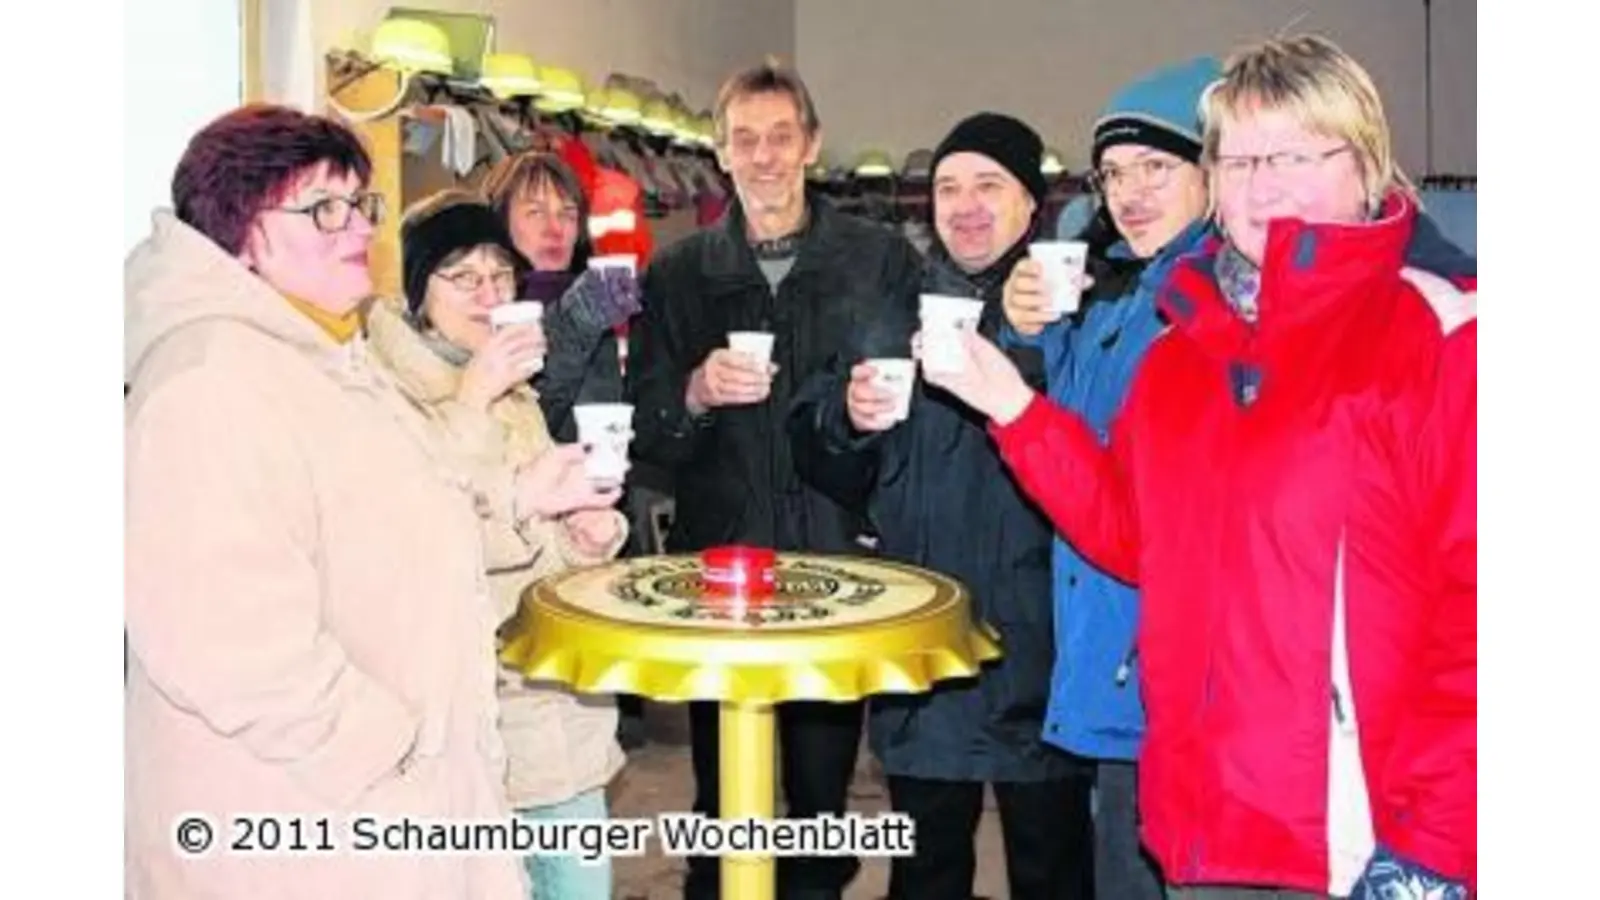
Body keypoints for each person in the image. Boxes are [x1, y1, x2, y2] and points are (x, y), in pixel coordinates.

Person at [921, 35, 1477, 900]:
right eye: (1239, 158)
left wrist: (1440, 845)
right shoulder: (1189, 351)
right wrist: (1015, 410)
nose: (1261, 184)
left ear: (1366, 165)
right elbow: (1138, 539)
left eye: (1293, 153)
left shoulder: (1444, 337)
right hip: (1197, 826)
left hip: (1356, 844)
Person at [124, 105, 532, 898]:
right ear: (240, 232)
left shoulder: (327, 353)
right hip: (303, 828)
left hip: (381, 811)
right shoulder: (207, 382)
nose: (358, 230)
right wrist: (386, 743)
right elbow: (226, 643)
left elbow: (404, 505)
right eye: (323, 209)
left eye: (362, 204)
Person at [626, 58, 921, 900]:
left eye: (780, 137)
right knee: (726, 794)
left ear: (812, 144)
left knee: (823, 793)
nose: (763, 157)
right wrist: (693, 390)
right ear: (721, 153)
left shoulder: (878, 260)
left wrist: (870, 415)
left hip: (835, 559)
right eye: (744, 140)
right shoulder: (680, 275)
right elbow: (649, 425)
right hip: (723, 570)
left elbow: (915, 412)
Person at [789, 112, 1093, 900]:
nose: (965, 204)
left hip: (1047, 650)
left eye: (989, 185)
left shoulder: (1080, 308)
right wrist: (846, 418)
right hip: (928, 638)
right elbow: (818, 449)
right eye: (950, 187)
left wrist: (1030, 342)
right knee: (925, 872)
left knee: (1053, 864)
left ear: (1034, 204)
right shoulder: (893, 307)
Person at [364, 189, 630, 900]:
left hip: (548, 694)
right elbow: (414, 542)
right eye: (464, 276)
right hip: (468, 707)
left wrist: (586, 536)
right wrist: (472, 400)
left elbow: (534, 529)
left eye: (500, 276)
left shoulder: (514, 386)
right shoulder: (381, 393)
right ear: (420, 292)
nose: (488, 294)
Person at [999, 56, 1221, 900]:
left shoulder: (1202, 306)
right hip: (1110, 664)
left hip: (1164, 680)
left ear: (1212, 169)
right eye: (1114, 173)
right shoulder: (1126, 299)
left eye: (1156, 168)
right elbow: (1075, 437)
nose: (1129, 192)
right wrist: (1037, 331)